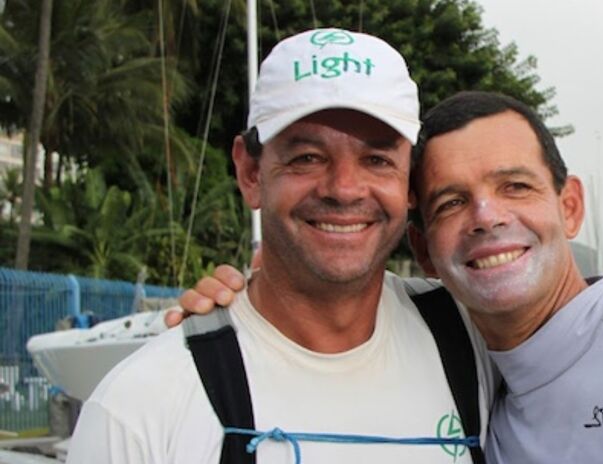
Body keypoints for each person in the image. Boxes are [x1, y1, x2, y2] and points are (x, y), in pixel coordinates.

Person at [186, 91, 603, 462]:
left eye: (514, 186)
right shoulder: (460, 375)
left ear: (569, 206)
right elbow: (334, 313)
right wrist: (240, 305)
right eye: (451, 203)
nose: (487, 218)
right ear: (426, 250)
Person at [67, 29, 493, 464]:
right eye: (307, 157)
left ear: (410, 183)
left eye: (377, 159)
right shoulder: (141, 408)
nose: (344, 189)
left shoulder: (475, 343)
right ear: (250, 172)